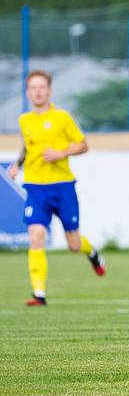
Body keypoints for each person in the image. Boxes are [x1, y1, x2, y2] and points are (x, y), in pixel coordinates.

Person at [6, 70, 106, 307]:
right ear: (28, 92)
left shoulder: (62, 118)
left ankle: (92, 254)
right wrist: (17, 164)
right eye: (33, 87)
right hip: (36, 188)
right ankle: (39, 294)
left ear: (49, 90)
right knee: (36, 236)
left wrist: (61, 153)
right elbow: (28, 147)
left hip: (62, 187)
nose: (37, 91)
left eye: (42, 87)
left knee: (73, 244)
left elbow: (83, 145)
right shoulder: (25, 120)